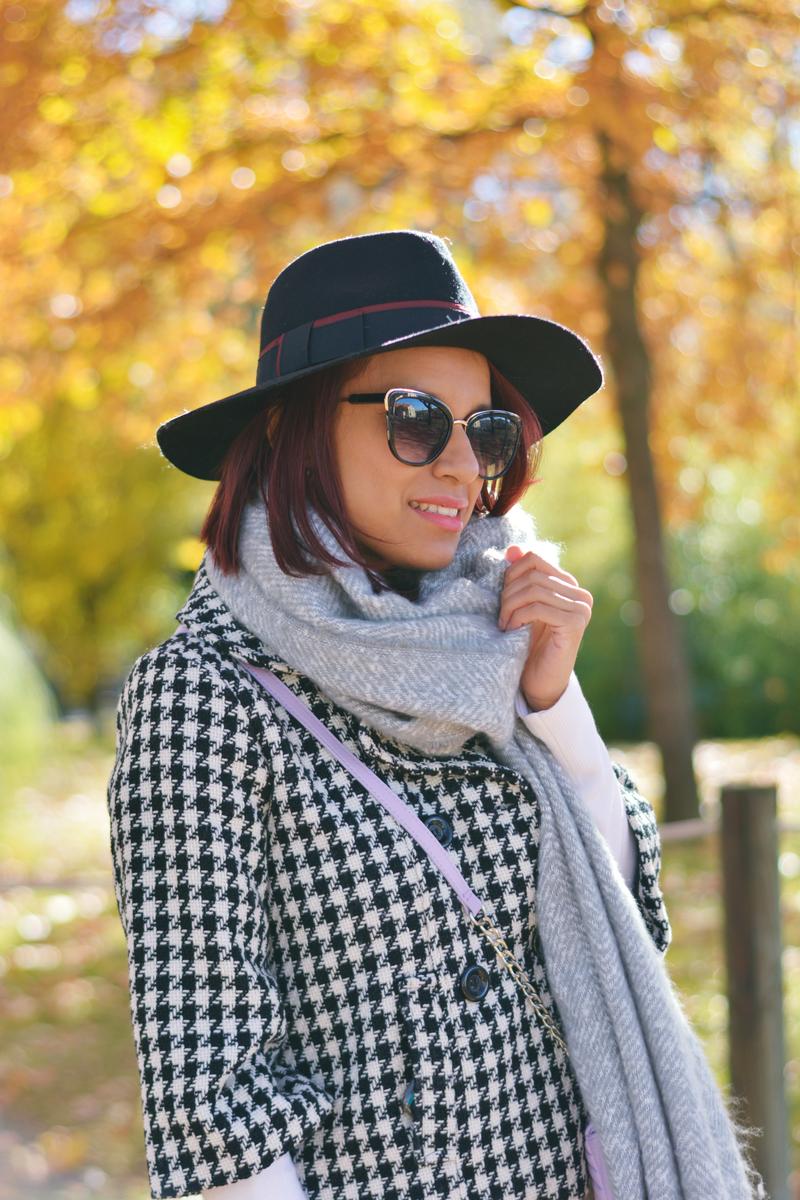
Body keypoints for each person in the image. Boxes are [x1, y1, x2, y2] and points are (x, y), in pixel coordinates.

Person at [107, 230, 765, 1200]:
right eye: (416, 419)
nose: (462, 464)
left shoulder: (491, 638)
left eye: (488, 430)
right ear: (291, 428)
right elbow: (214, 1115)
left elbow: (624, 921)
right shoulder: (204, 696)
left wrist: (552, 703)